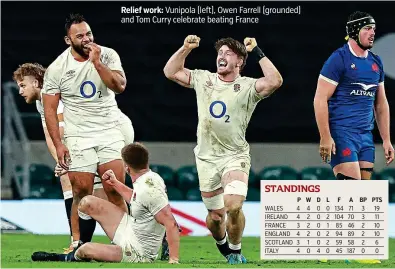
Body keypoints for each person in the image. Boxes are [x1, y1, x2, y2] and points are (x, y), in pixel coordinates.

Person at [163, 35, 283, 264]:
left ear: (239, 61)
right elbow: (170, 72)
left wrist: (256, 50)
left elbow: (275, 81)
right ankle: (223, 245)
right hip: (206, 158)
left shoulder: (248, 86)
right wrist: (185, 49)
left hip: (234, 155)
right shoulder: (203, 79)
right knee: (215, 217)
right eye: (220, 53)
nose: (221, 56)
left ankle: (235, 251)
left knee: (234, 205)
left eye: (228, 53)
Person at [41, 13, 134, 250]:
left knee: (113, 189)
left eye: (89, 34)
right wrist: (59, 144)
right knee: (81, 191)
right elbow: (50, 111)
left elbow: (120, 86)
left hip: (109, 130)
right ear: (67, 40)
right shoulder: (57, 68)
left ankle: (128, 243)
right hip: (79, 135)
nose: (86, 39)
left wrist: (97, 63)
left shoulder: (108, 54)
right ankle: (78, 243)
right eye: (79, 36)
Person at [314, 11, 394, 264]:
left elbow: (381, 105)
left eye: (374, 28)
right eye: (367, 28)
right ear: (354, 31)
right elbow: (319, 99)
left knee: (362, 195)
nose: (373, 33)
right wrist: (325, 137)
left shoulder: (376, 63)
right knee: (352, 191)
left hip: (364, 136)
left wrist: (387, 140)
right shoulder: (338, 59)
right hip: (342, 133)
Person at [12, 62, 108, 253]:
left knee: (106, 194)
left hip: (99, 137)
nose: (19, 91)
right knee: (72, 184)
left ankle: (156, 230)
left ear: (37, 83)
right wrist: (60, 160)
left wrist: (66, 161)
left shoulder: (54, 94)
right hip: (84, 141)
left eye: (23, 85)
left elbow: (64, 130)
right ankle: (77, 243)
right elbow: (49, 134)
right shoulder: (42, 102)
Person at [31, 142, 180, 264]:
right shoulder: (150, 178)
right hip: (131, 229)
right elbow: (137, 199)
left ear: (127, 167)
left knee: (86, 251)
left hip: (138, 252)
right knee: (87, 202)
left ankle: (68, 257)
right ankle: (81, 243)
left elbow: (170, 222)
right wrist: (115, 184)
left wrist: (174, 260)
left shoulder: (148, 190)